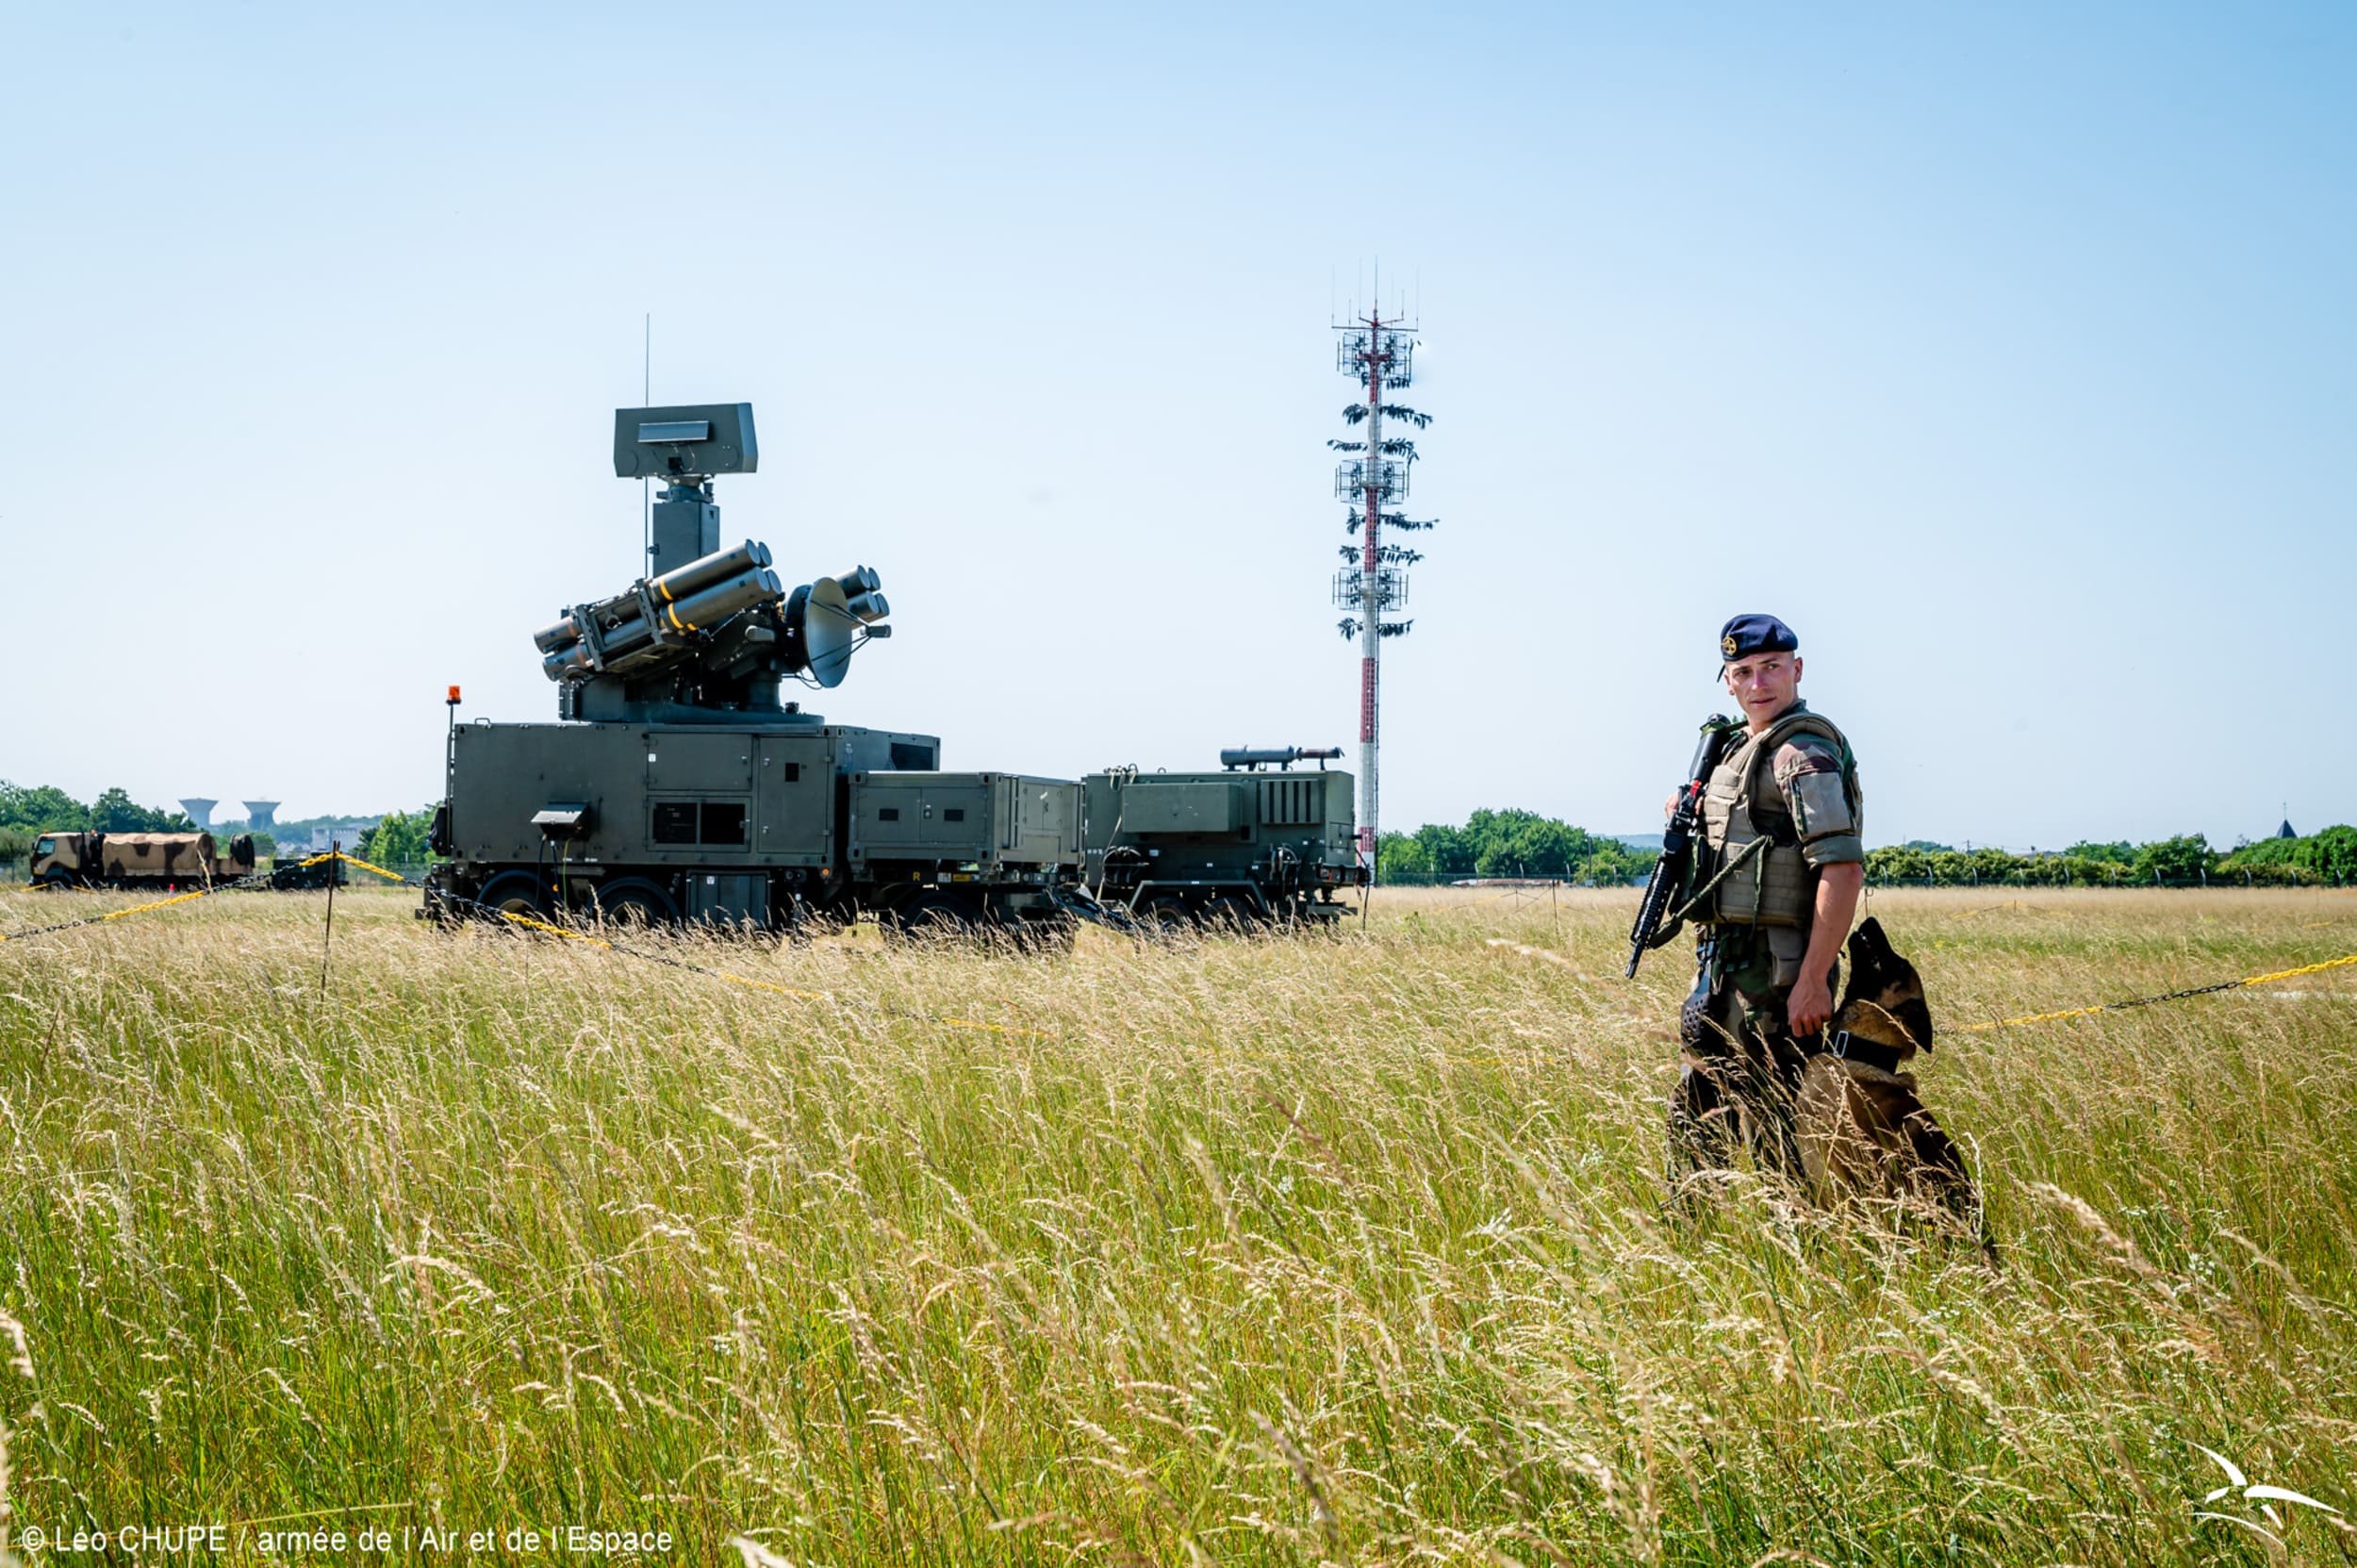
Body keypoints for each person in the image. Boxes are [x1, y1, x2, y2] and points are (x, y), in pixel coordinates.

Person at [1666, 613, 1865, 1186]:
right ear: (1727, 681)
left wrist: (1812, 979)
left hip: (1779, 979)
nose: (1759, 684)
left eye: (1772, 668)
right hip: (1721, 968)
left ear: (1796, 670)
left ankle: (1806, 1259)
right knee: (1699, 1122)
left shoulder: (1800, 755)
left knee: (1783, 1132)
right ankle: (1698, 1251)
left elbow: (1842, 870)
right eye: (1744, 672)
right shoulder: (1735, 750)